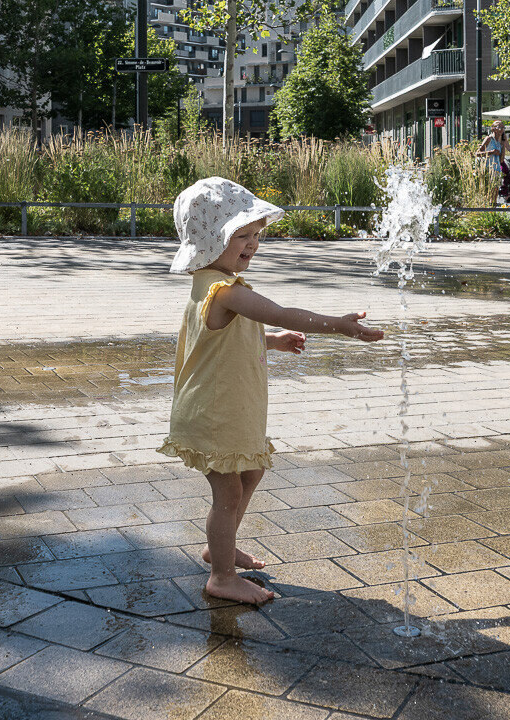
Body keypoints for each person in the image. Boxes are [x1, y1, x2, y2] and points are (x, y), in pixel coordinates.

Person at [161, 177, 384, 605]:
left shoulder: (212, 287)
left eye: (256, 235)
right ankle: (222, 577)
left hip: (226, 408)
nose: (252, 244)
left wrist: (273, 340)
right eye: (240, 235)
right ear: (210, 240)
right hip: (214, 412)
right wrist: (337, 324)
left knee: (252, 472)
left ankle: (218, 547)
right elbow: (281, 311)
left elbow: (219, 342)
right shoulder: (224, 290)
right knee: (226, 494)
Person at [478, 121, 510, 203]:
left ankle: (493, 208)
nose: (502, 129)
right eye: (500, 127)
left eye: (503, 128)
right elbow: (477, 153)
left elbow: (501, 159)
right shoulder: (488, 139)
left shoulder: (499, 142)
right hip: (488, 169)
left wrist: (503, 146)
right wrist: (491, 152)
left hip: (497, 169)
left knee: (495, 191)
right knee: (489, 191)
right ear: (494, 129)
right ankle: (489, 208)